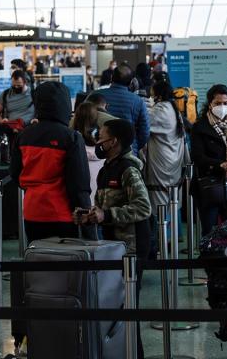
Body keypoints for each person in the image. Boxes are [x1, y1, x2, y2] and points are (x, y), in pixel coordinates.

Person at [78, 119, 150, 359]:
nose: (98, 139)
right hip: (114, 247)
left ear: (114, 141)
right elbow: (103, 205)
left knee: (128, 309)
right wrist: (90, 215)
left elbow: (143, 207)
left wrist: (107, 214)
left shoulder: (128, 169)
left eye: (102, 136)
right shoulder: (107, 167)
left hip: (132, 248)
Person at [10, 81, 92, 242]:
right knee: (66, 262)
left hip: (32, 211)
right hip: (63, 213)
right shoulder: (71, 137)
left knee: (39, 259)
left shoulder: (23, 136)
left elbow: (15, 173)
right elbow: (79, 183)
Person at [190, 84, 227, 234]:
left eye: (225, 103)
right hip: (210, 186)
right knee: (209, 231)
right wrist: (221, 165)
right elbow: (198, 156)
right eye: (217, 103)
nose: (222, 107)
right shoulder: (200, 126)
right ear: (210, 104)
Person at [143, 81, 188, 217]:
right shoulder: (171, 108)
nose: (151, 97)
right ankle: (171, 236)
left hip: (162, 165)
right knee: (171, 205)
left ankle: (162, 237)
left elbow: (143, 121)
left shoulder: (161, 110)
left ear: (159, 95)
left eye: (152, 94)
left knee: (160, 207)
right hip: (172, 162)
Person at [95, 65, 150, 155]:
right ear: (131, 82)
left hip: (100, 151)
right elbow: (145, 132)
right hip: (128, 153)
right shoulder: (138, 101)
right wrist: (134, 146)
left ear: (111, 77)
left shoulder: (95, 96)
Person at [71, 101, 107, 187]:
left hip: (80, 189)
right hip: (99, 187)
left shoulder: (71, 140)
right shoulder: (104, 139)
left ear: (76, 117)